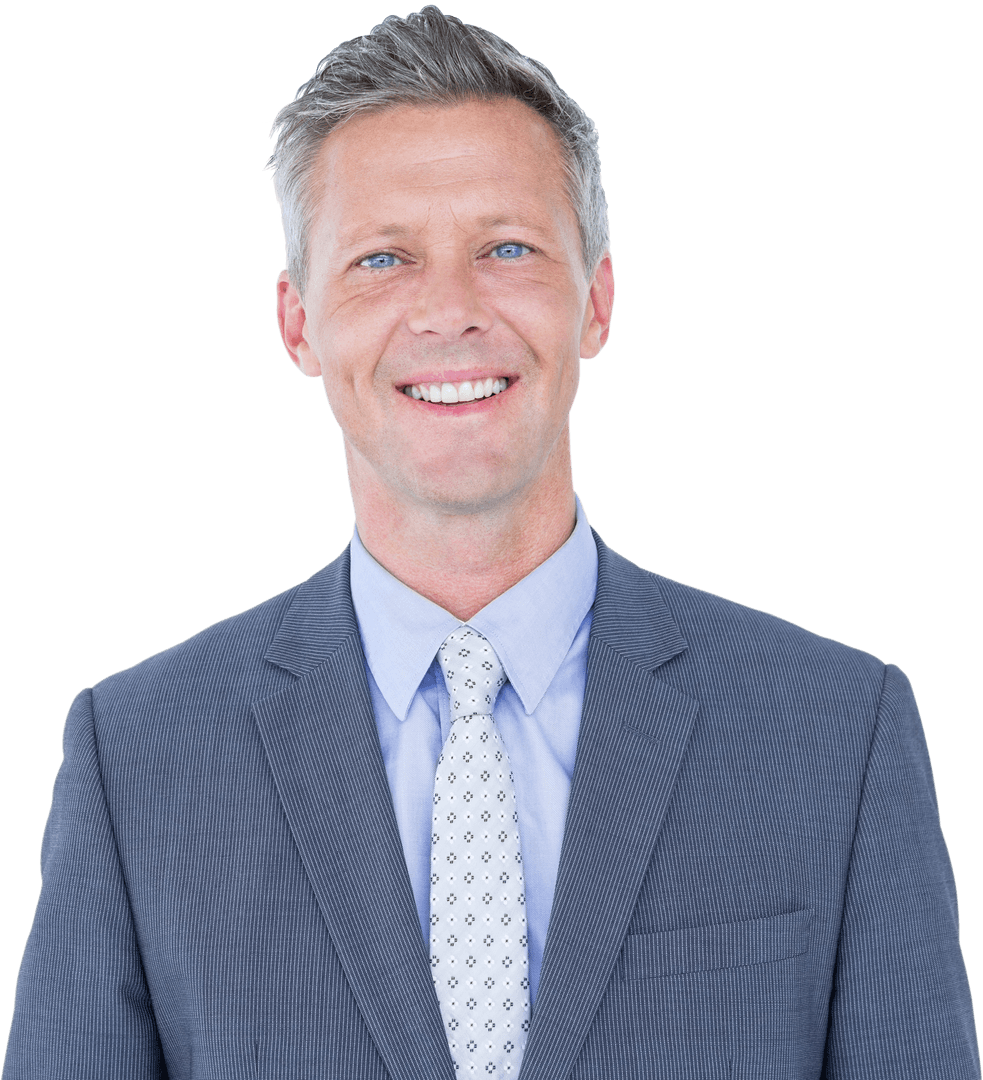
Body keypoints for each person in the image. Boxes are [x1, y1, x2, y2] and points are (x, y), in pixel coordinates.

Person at [3, 6, 979, 1078]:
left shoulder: (835, 731)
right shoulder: (137, 755)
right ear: (297, 323)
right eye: (382, 259)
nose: (449, 311)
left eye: (506, 249)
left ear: (595, 300)